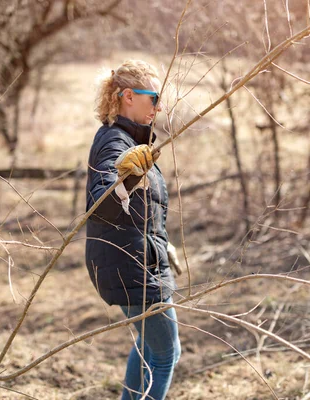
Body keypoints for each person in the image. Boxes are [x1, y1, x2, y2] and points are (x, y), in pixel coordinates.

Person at [85, 59, 181, 400]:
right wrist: (127, 178)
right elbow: (102, 207)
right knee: (167, 353)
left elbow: (144, 210)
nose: (159, 106)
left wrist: (164, 246)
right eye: (152, 98)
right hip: (132, 268)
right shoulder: (115, 142)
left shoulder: (130, 140)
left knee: (147, 347)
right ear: (128, 96)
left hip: (138, 261)